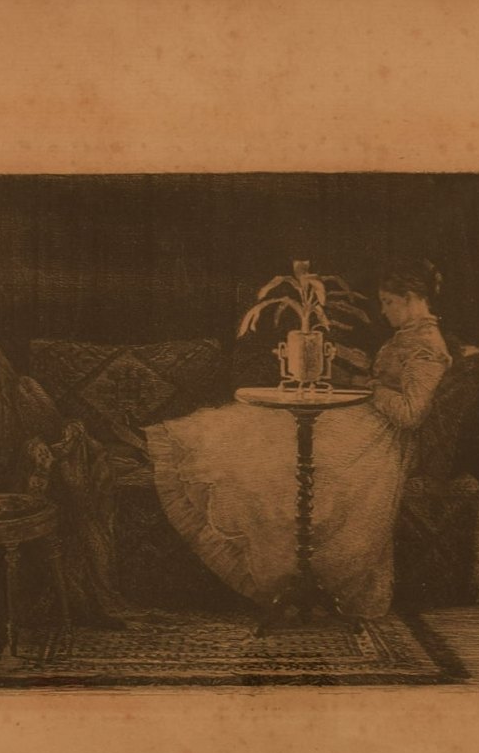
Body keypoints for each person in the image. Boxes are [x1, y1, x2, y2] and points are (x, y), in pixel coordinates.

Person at [145, 260, 451, 618]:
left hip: (381, 441)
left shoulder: (427, 346)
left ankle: (296, 580)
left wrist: (369, 386)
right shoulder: (409, 336)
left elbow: (411, 412)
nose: (383, 311)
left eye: (389, 302)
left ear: (412, 298)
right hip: (366, 423)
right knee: (263, 431)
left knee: (283, 459)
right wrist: (361, 371)